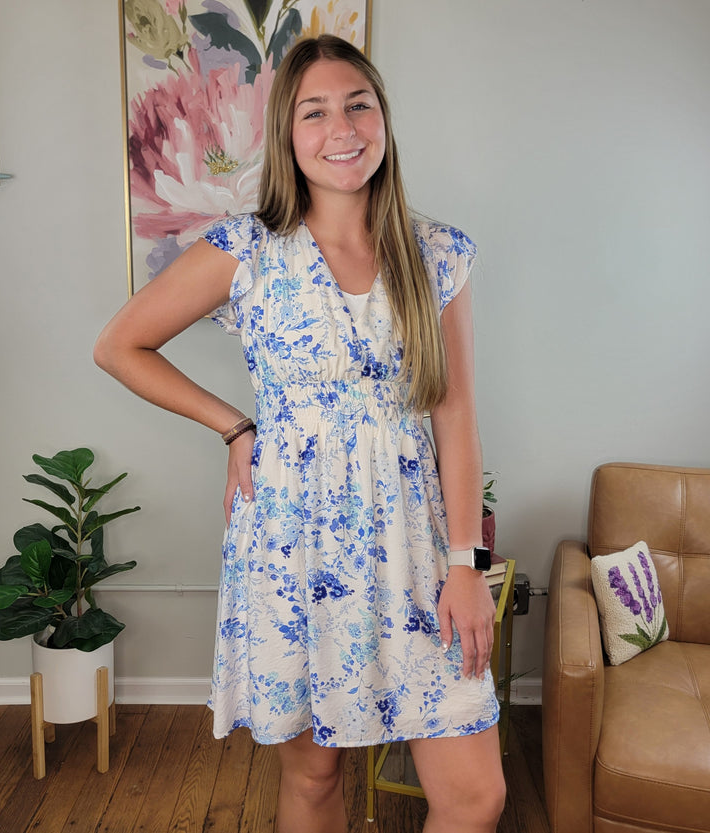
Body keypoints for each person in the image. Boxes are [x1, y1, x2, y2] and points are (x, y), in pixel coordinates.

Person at [95, 34, 506, 833]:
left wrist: (466, 564)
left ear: (383, 118)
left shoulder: (437, 252)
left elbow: (455, 414)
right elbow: (120, 346)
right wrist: (233, 427)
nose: (341, 128)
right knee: (314, 778)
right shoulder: (245, 249)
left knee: (475, 796)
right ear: (287, 132)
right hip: (293, 544)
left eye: (358, 105)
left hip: (417, 548)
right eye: (314, 112)